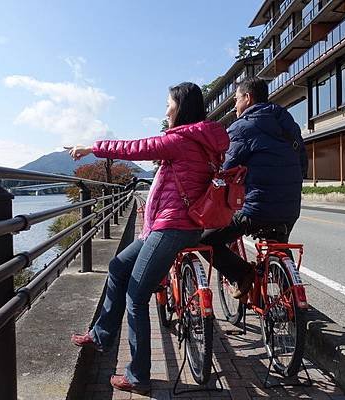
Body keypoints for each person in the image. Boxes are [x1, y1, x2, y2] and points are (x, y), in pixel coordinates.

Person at [68, 82, 229, 394]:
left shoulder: (180, 139)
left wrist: (93, 147)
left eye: (169, 104)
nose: (166, 110)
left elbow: (135, 148)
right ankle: (101, 334)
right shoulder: (206, 142)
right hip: (183, 225)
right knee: (117, 267)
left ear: (181, 107)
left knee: (136, 296)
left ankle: (138, 375)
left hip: (171, 227)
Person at [201, 77, 307, 299]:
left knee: (203, 239)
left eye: (236, 99)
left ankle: (242, 274)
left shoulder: (243, 127)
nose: (235, 105)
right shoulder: (287, 122)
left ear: (248, 98)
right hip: (290, 207)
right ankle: (292, 301)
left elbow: (224, 167)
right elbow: (302, 162)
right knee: (277, 245)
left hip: (256, 209)